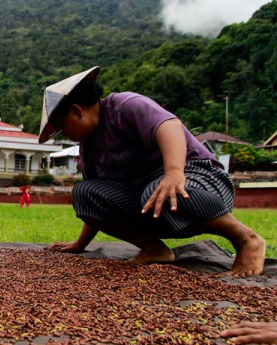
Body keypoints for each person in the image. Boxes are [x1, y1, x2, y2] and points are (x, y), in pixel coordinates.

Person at [39, 66, 266, 276]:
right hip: (152, 202)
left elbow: (169, 126)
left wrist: (174, 172)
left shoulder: (125, 105)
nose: (66, 135)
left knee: (159, 190)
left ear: (77, 111)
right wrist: (80, 244)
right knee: (84, 192)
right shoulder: (88, 149)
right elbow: (95, 201)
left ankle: (247, 240)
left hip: (200, 182)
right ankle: (154, 248)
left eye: (63, 128)